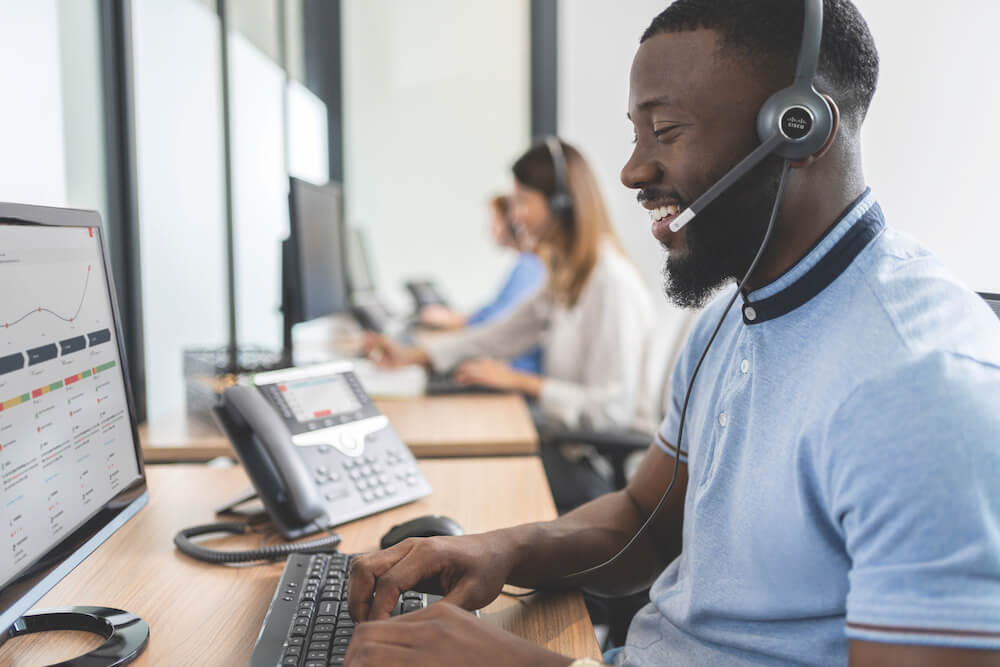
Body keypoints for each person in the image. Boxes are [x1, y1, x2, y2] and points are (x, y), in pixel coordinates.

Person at [345, 1, 1000, 665]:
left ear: (798, 128)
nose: (631, 169)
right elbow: (643, 521)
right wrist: (501, 548)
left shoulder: (922, 386)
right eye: (636, 133)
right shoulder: (727, 319)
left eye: (665, 130)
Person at [366, 139, 654, 436]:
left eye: (522, 201)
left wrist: (519, 382)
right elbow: (498, 337)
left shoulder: (611, 283)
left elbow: (612, 412)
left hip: (596, 461)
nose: (514, 215)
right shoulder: (564, 277)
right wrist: (414, 355)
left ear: (561, 204)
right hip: (567, 441)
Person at [417, 194, 546, 374]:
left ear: (512, 225)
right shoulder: (525, 264)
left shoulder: (529, 265)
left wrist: (452, 323)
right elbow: (493, 311)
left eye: (495, 221)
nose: (490, 229)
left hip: (516, 371)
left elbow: (499, 323)